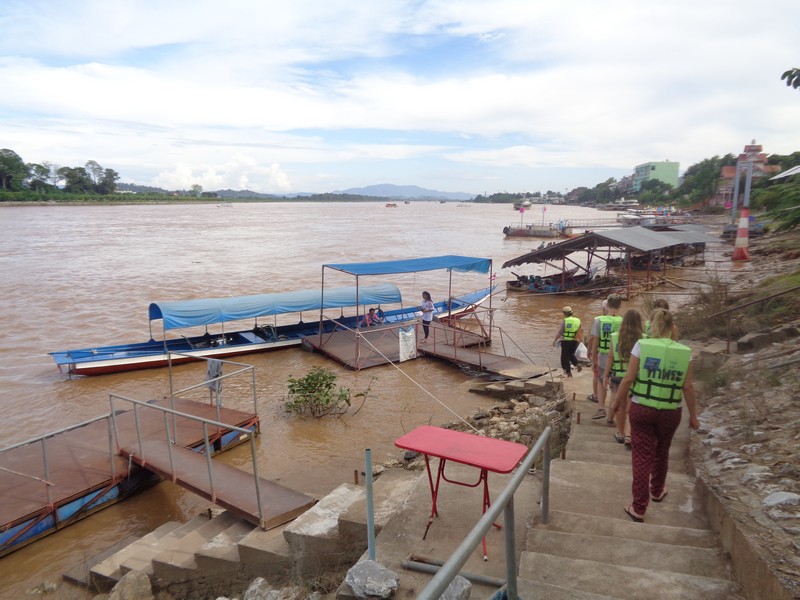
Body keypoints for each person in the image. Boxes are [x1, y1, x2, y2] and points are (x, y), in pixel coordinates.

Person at [614, 309, 700, 523]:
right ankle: (657, 490)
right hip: (671, 411)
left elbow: (628, 378)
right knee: (662, 451)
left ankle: (639, 507)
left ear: (652, 326)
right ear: (672, 328)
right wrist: (694, 416)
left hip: (642, 408)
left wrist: (616, 402)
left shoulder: (642, 345)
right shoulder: (685, 352)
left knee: (641, 456)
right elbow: (688, 387)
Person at [605, 308, 644, 448]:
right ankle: (630, 434)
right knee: (631, 407)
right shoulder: (644, 339)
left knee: (620, 408)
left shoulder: (615, 336)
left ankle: (621, 433)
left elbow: (610, 357)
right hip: (635, 378)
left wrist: (605, 375)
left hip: (618, 376)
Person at [589, 294, 623, 421]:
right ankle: (610, 416)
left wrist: (593, 360)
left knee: (601, 380)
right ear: (620, 305)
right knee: (614, 386)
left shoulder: (599, 320)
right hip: (618, 358)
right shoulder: (623, 321)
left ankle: (601, 407)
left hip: (603, 356)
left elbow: (595, 342)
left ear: (607, 305)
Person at [553, 306, 583, 377]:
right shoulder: (578, 320)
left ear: (564, 313)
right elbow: (580, 331)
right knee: (571, 354)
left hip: (566, 341)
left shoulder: (565, 321)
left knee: (564, 357)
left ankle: (568, 372)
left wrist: (555, 340)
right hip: (575, 341)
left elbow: (560, 332)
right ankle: (577, 364)